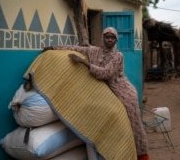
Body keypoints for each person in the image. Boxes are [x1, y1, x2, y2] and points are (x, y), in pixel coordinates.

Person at [43, 27, 149, 160]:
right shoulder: (93, 51)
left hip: (122, 89)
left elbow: (106, 74)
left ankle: (140, 154)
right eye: (107, 37)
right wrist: (53, 47)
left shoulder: (118, 56)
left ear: (116, 40)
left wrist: (83, 62)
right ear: (102, 38)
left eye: (112, 37)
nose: (109, 39)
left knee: (131, 122)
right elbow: (73, 48)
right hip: (104, 88)